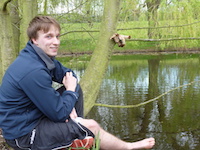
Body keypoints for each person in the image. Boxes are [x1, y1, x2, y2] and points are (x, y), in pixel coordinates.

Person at [0, 15, 155, 150]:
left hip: (31, 118)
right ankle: (129, 147)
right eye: (49, 36)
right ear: (34, 39)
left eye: (57, 36)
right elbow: (60, 110)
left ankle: (76, 130)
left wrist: (70, 96)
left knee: (76, 89)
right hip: (23, 135)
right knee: (92, 125)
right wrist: (69, 95)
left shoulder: (37, 56)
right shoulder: (33, 70)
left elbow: (70, 75)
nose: (56, 42)